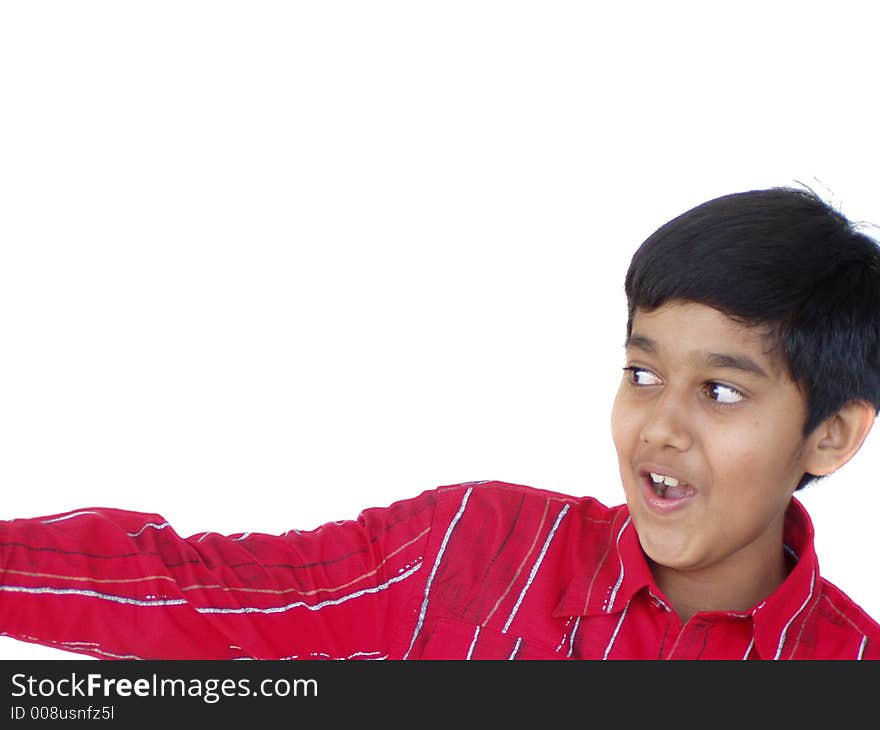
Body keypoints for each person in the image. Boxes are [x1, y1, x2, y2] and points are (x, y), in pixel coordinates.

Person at [2, 186, 879, 660]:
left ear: (830, 436)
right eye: (642, 374)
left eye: (721, 392)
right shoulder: (478, 554)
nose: (659, 428)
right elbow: (204, 595)